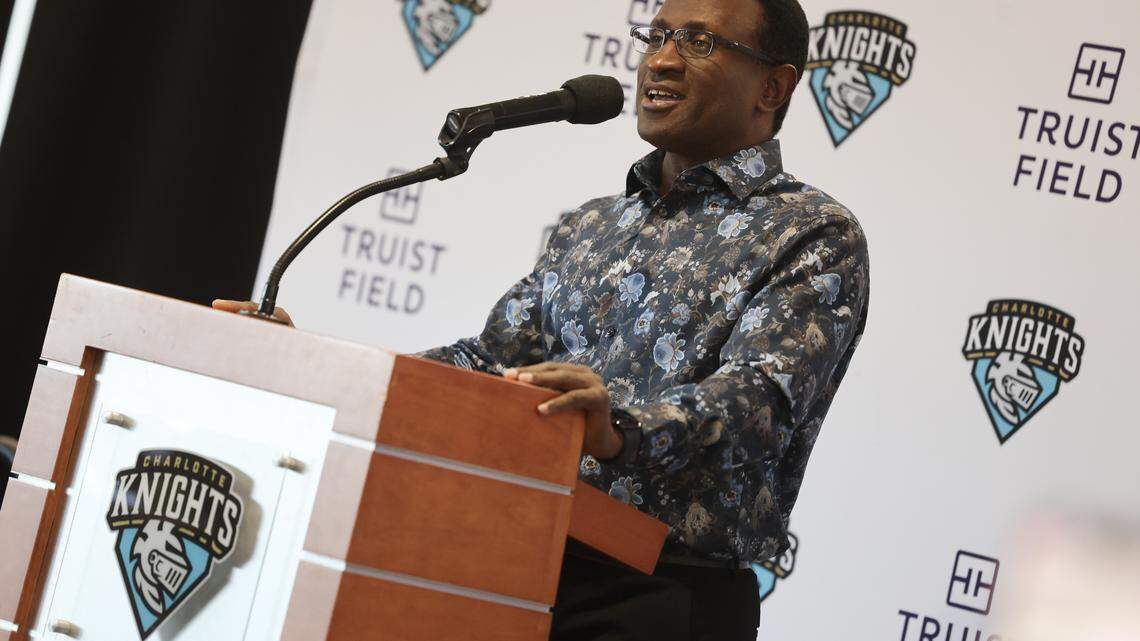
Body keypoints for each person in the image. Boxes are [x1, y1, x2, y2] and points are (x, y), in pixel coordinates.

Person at [217, 0, 868, 638]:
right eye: (659, 34)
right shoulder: (593, 224)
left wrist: (617, 428)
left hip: (666, 596)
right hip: (518, 564)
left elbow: (756, 401)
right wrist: (317, 371)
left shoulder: (811, 233)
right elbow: (488, 361)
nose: (661, 60)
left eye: (699, 43)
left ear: (772, 87)